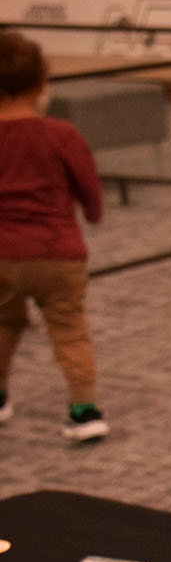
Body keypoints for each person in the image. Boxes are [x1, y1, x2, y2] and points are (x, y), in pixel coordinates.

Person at [0, 32, 109, 443]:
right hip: (58, 252)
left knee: (2, 325)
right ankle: (84, 410)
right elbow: (87, 183)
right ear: (41, 83)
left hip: (3, 254)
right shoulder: (60, 134)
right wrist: (93, 213)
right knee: (69, 330)